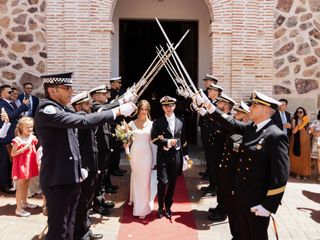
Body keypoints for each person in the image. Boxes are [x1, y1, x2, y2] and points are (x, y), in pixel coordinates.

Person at [34, 72, 136, 240]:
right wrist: (116, 111)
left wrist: (78, 167)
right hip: (57, 179)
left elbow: (78, 134)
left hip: (70, 176)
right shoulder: (46, 109)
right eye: (66, 88)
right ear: (52, 91)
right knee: (58, 231)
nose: (71, 92)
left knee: (70, 226)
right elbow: (83, 122)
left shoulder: (63, 109)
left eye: (71, 88)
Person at [202, 90, 289, 240]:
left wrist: (268, 206)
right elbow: (230, 123)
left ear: (266, 110)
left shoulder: (275, 135)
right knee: (244, 234)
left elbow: (280, 176)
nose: (251, 108)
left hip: (258, 202)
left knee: (256, 236)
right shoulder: (252, 128)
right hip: (242, 197)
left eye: (255, 105)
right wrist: (209, 107)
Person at [71, 91, 103, 240]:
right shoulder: (79, 118)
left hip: (91, 166)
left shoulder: (85, 119)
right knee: (82, 202)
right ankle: (80, 234)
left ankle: (85, 229)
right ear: (78, 106)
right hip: (85, 167)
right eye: (87, 103)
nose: (90, 105)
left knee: (87, 202)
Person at [151, 96, 189, 219]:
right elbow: (154, 139)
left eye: (170, 105)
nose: (168, 108)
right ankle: (160, 206)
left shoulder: (181, 121)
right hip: (163, 156)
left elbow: (183, 140)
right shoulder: (158, 122)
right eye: (166, 106)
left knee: (172, 183)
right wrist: (167, 142)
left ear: (174, 106)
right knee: (162, 181)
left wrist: (186, 156)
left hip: (176, 156)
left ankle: (168, 206)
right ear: (162, 107)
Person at [218, 101, 250, 239]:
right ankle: (235, 235)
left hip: (235, 180)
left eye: (239, 113)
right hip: (228, 177)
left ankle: (239, 235)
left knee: (237, 212)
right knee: (232, 210)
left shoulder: (247, 132)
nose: (236, 114)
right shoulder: (235, 130)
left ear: (246, 116)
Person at [206, 93, 236, 222]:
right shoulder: (222, 119)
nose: (217, 104)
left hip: (223, 157)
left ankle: (223, 211)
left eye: (220, 103)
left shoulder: (228, 121)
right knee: (220, 184)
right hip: (217, 155)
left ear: (226, 105)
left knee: (224, 186)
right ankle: (220, 206)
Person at [127, 100, 157, 219]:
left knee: (144, 181)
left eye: (146, 109)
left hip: (147, 155)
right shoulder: (130, 124)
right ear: (138, 110)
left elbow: (154, 142)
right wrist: (125, 142)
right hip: (135, 154)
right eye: (142, 109)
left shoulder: (152, 124)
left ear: (148, 111)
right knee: (136, 178)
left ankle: (142, 208)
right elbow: (128, 141)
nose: (143, 112)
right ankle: (136, 200)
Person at [0, 85, 29, 194]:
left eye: (12, 91)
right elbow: (10, 116)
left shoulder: (11, 103)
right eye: (9, 92)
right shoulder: (1, 104)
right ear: (2, 93)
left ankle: (10, 183)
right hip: (5, 138)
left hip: (12, 136)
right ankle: (5, 185)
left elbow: (17, 114)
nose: (12, 93)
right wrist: (22, 106)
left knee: (11, 162)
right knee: (4, 162)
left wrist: (24, 105)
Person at [11, 117, 39, 217]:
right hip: (21, 166)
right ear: (21, 128)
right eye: (28, 127)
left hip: (29, 165)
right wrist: (24, 149)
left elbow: (35, 142)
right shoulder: (18, 140)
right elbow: (13, 153)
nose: (30, 129)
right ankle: (18, 208)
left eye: (31, 127)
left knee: (26, 183)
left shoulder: (31, 137)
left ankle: (24, 202)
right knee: (20, 186)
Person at [200, 83, 223, 196]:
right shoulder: (212, 103)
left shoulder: (219, 104)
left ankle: (215, 187)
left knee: (215, 165)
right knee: (211, 163)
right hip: (210, 137)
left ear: (216, 92)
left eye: (210, 90)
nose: (208, 91)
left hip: (216, 139)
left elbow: (218, 120)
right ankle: (212, 185)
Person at [198, 75, 220, 181]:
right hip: (205, 126)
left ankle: (212, 179)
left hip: (211, 130)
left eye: (207, 81)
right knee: (208, 153)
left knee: (212, 156)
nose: (206, 83)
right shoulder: (206, 93)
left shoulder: (218, 100)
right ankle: (209, 173)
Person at [289, 107, 310, 179]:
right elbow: (293, 131)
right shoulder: (294, 120)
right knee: (295, 156)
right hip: (296, 140)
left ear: (304, 113)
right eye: (298, 112)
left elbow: (308, 130)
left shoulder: (306, 120)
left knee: (303, 156)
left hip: (305, 142)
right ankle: (295, 173)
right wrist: (298, 124)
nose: (299, 113)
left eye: (301, 112)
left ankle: (303, 173)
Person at [309, 110, 320, 181]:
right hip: (317, 141)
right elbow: (310, 131)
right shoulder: (316, 122)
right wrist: (316, 133)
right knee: (319, 160)